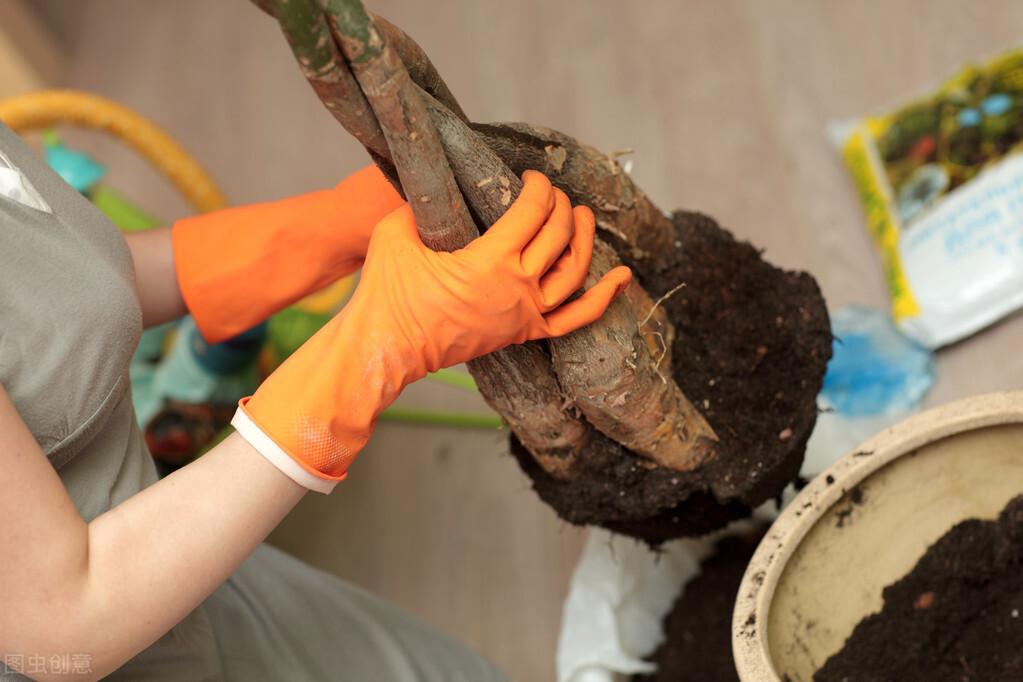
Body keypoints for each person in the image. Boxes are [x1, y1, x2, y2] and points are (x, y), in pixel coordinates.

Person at [0, 123, 631, 681]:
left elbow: (55, 300)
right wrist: (383, 342)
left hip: (177, 560)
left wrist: (329, 227)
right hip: (106, 620)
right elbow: (67, 625)